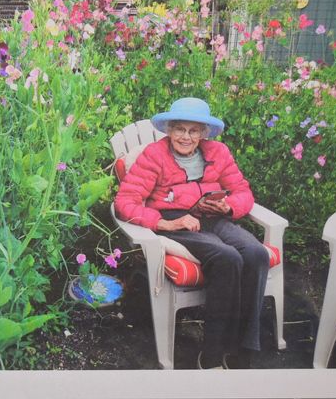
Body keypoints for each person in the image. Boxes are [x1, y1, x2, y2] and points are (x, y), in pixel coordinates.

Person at [114, 97, 269, 369]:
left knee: (256, 253)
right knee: (226, 257)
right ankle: (211, 353)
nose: (186, 137)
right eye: (180, 129)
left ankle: (243, 349)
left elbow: (244, 192)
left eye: (193, 130)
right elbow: (125, 202)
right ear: (169, 130)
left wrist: (228, 205)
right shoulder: (154, 155)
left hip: (214, 216)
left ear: (203, 133)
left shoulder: (218, 153)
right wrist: (166, 224)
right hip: (176, 221)